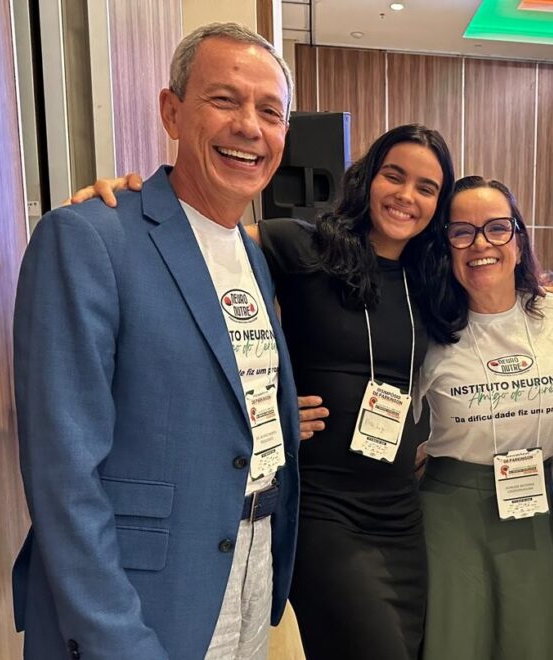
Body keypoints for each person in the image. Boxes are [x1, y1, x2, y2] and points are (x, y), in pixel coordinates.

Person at [70, 124, 456, 659]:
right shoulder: (304, 245)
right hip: (326, 511)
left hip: (399, 510)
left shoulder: (431, 280)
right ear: (369, 178)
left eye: (426, 187)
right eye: (394, 175)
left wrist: (546, 302)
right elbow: (187, 241)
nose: (406, 195)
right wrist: (128, 206)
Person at [12, 23, 301, 660]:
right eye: (224, 100)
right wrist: (112, 635)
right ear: (172, 111)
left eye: (270, 111)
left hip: (249, 561)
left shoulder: (250, 254)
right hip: (145, 592)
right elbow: (64, 473)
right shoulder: (89, 238)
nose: (249, 127)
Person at [416, 176, 553, 659]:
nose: (481, 243)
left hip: (537, 507)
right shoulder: (426, 327)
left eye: (497, 228)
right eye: (461, 231)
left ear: (519, 240)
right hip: (451, 515)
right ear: (445, 245)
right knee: (456, 643)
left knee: (535, 642)